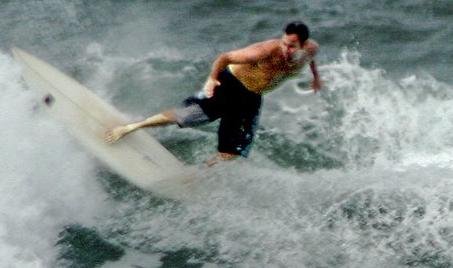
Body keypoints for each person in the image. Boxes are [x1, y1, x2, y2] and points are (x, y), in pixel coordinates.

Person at [106, 21, 321, 163]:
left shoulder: (310, 50)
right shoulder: (264, 52)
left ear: (303, 45)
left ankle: (199, 175)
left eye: (292, 46)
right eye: (284, 43)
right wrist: (211, 79)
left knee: (233, 151)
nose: (286, 49)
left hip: (251, 97)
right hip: (231, 85)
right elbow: (225, 57)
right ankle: (131, 127)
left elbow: (310, 60)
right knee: (188, 116)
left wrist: (316, 78)